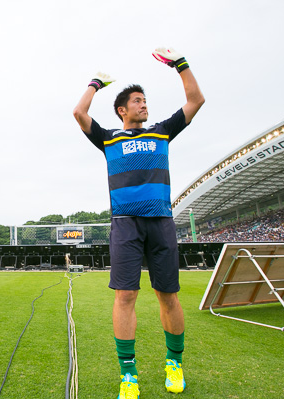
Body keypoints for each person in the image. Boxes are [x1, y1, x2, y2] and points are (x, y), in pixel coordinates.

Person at [73, 47, 205, 398]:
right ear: (122, 110)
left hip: (161, 221)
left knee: (168, 295)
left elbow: (196, 99)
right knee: (126, 295)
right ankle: (128, 374)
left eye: (145, 100)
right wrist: (96, 83)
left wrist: (180, 64)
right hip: (125, 224)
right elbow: (78, 112)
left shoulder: (161, 131)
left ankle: (173, 364)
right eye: (137, 100)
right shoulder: (109, 138)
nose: (144, 105)